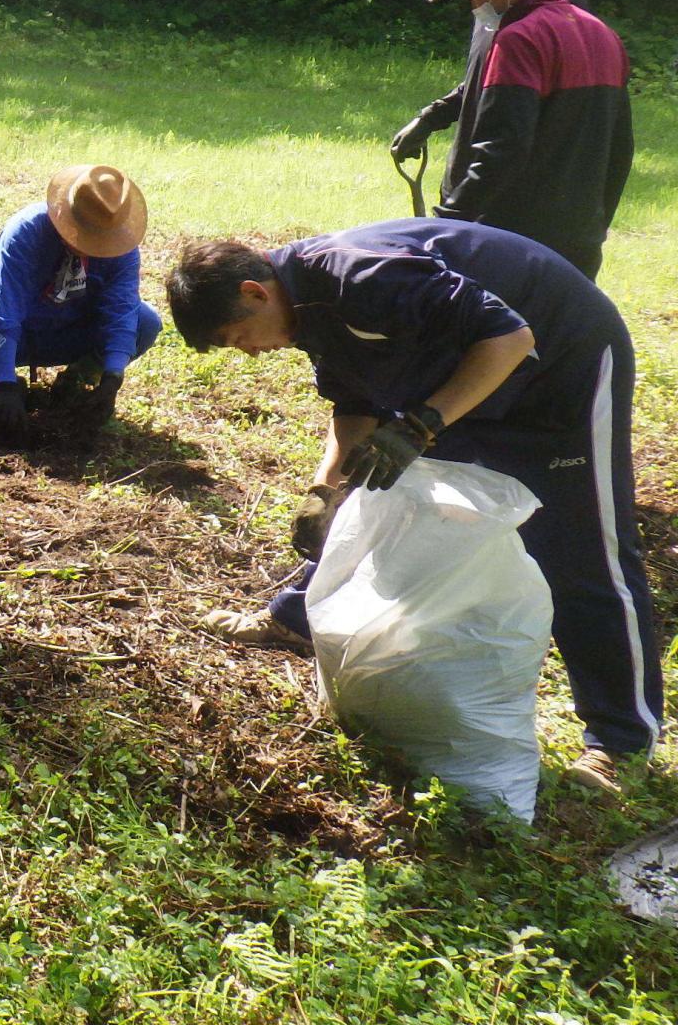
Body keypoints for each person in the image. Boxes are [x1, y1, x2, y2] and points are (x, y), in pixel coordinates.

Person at [167, 219, 661, 793]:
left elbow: (510, 339)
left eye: (238, 337)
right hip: (465, 377)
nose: (249, 353)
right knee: (394, 498)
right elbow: (354, 404)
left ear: (256, 293)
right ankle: (300, 615)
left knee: (582, 548)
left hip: (563, 365)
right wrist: (325, 491)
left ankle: (622, 739)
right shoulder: (305, 307)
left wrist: (424, 423)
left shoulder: (362, 274)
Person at [391, 0, 628, 277]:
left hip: (513, 239)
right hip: (576, 240)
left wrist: (445, 222)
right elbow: (621, 146)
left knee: (495, 337)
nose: (474, 7)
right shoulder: (601, 32)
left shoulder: (520, 36)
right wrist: (595, 226)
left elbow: (503, 148)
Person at [0, 166, 158, 444]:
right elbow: (3, 311)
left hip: (77, 332)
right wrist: (6, 385)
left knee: (146, 321)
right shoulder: (25, 232)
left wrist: (112, 378)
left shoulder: (122, 249)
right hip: (24, 332)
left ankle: (79, 378)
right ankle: (0, 380)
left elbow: (122, 313)